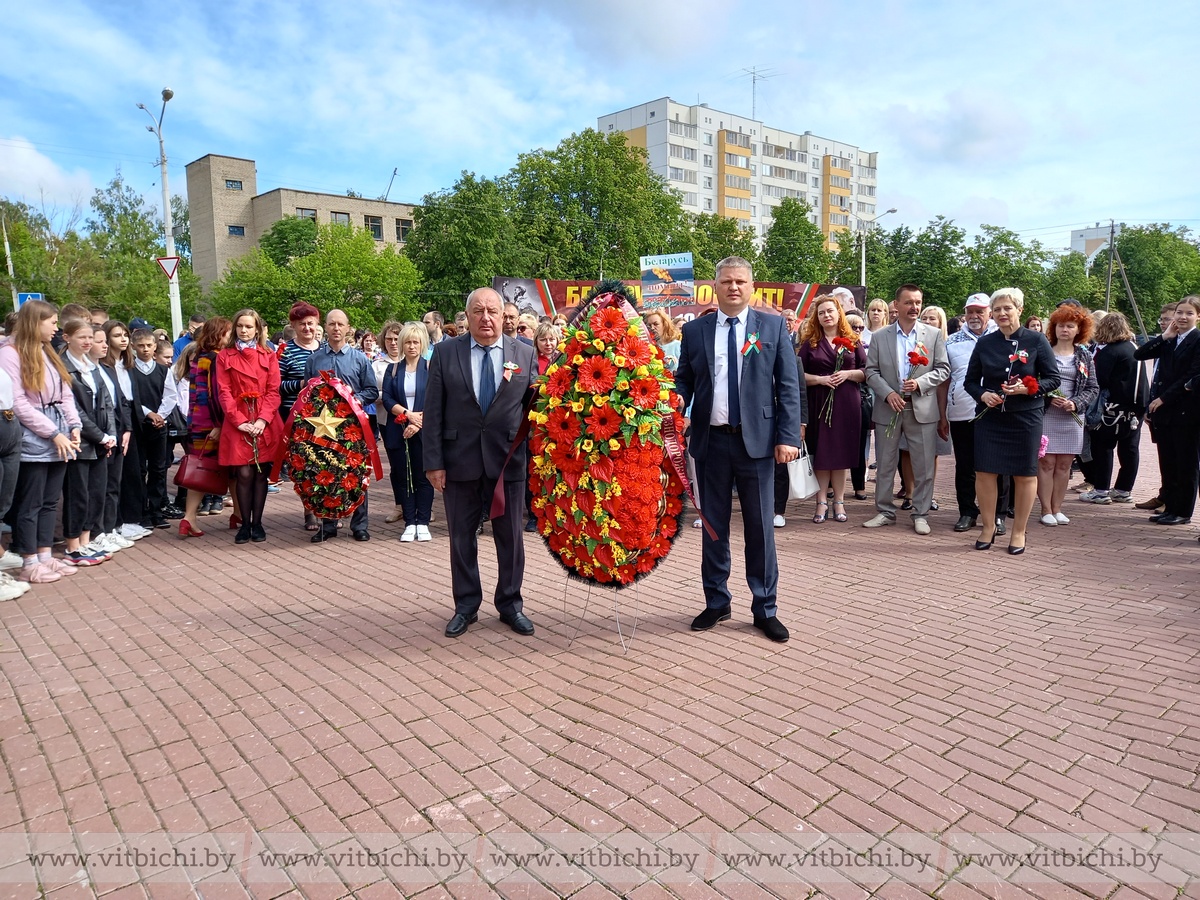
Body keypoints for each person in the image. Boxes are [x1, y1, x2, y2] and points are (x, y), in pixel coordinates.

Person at [675, 257, 803, 643]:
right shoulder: (695, 331)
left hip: (759, 444)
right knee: (713, 526)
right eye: (727, 281)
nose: (734, 287)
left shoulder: (772, 326)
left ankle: (765, 608)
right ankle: (716, 601)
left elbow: (789, 386)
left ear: (751, 287)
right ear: (715, 286)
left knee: (760, 527)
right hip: (710, 442)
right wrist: (673, 401)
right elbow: (684, 379)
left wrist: (788, 437)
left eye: (740, 282)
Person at [424, 287, 537, 638]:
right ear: (467, 315)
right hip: (459, 462)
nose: (486, 318)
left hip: (508, 462)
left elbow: (536, 410)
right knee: (461, 538)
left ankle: (510, 605)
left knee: (511, 539)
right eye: (478, 311)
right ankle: (466, 606)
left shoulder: (525, 353)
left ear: (503, 316)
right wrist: (434, 463)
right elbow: (434, 412)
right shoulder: (444, 353)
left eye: (492, 311)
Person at [964, 287, 1060, 554]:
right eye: (997, 309)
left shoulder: (1037, 340)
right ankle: (987, 527)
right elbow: (970, 381)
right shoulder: (985, 342)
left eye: (1008, 308)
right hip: (991, 417)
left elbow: (1053, 379)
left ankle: (1018, 531)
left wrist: (1028, 389)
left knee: (1025, 474)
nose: (1002, 313)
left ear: (1019, 309)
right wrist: (983, 395)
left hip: (1026, 417)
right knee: (984, 472)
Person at [0, 300, 83, 583]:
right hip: (34, 436)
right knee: (31, 502)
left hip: (59, 433)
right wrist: (52, 432)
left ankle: (46, 555)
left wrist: (74, 425)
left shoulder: (47, 351)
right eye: (52, 322)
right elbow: (19, 403)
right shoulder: (10, 354)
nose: (56, 328)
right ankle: (28, 560)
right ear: (35, 323)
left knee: (50, 501)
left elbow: (65, 393)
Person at [862, 284, 950, 535]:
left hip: (921, 408)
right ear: (896, 305)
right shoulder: (881, 336)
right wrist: (888, 393)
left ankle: (920, 513)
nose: (914, 307)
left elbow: (943, 369)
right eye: (909, 302)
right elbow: (871, 371)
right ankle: (885, 512)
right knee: (886, 464)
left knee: (923, 466)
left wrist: (921, 383)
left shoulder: (933, 335)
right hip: (888, 408)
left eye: (918, 302)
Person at [306, 309, 378, 542]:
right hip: (323, 429)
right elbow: (307, 393)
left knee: (356, 475)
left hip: (352, 428)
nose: (336, 328)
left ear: (348, 328)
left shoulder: (359, 359)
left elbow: (371, 390)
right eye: (331, 324)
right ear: (325, 328)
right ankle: (328, 525)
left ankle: (359, 525)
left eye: (340, 324)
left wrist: (353, 400)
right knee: (325, 473)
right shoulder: (314, 359)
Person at [940, 293, 1006, 534]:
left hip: (996, 411)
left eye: (980, 311)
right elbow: (944, 382)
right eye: (970, 311)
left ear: (989, 313)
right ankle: (967, 511)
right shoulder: (952, 341)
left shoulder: (1003, 337)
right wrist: (942, 414)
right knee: (965, 465)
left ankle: (998, 515)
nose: (974, 316)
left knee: (997, 465)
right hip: (962, 412)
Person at [217, 310, 285, 544]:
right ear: (234, 328)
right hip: (239, 421)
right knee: (243, 473)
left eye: (249, 326)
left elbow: (274, 391)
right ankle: (244, 523)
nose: (244, 330)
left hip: (264, 421)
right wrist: (240, 422)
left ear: (257, 329)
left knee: (260, 474)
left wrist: (262, 420)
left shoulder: (268, 354)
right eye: (240, 326)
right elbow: (224, 392)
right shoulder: (225, 356)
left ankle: (258, 523)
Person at [796, 295, 865, 524]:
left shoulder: (853, 341)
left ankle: (840, 501)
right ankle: (821, 501)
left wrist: (847, 374)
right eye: (822, 312)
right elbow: (797, 375)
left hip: (847, 403)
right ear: (817, 317)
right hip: (820, 402)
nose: (827, 315)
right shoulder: (810, 343)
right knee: (823, 453)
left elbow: (867, 371)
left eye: (830, 311)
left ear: (839, 314)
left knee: (841, 454)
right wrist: (819, 379)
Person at [1134, 296, 1200, 526]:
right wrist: (1164, 337)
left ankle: (1183, 511)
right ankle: (1170, 507)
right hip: (1165, 413)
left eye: (1189, 313)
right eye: (1179, 313)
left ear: (1197, 316)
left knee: (1186, 464)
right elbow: (1140, 354)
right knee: (1168, 462)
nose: (1182, 317)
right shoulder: (1171, 339)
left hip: (1186, 411)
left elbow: (1190, 376)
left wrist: (1163, 397)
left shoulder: (1197, 340)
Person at [60, 318, 117, 566]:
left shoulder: (93, 367)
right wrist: (100, 435)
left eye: (89, 338)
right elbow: (74, 409)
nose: (87, 342)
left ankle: (85, 540)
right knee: (78, 494)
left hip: (100, 441)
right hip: (80, 441)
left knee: (96, 493)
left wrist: (111, 434)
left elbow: (107, 403)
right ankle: (73, 545)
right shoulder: (63, 367)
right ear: (67, 338)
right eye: (81, 337)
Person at [1037, 304, 1098, 526]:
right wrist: (1048, 398)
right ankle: (1045, 509)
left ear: (1079, 329)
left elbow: (1093, 387)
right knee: (1046, 463)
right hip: (1047, 415)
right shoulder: (1043, 351)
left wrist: (1075, 403)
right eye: (1061, 325)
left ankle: (1057, 508)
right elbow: (1033, 382)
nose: (1065, 330)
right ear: (1054, 327)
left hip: (1072, 417)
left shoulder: (1085, 355)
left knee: (1064, 465)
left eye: (1070, 326)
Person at [1081, 312, 1147, 505]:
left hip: (1113, 408)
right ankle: (1123, 489)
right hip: (1136, 408)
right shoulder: (1134, 347)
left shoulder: (1110, 352)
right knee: (1130, 449)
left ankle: (1101, 490)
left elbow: (1099, 380)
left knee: (1103, 448)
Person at [177, 317, 231, 537]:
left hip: (196, 421)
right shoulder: (216, 358)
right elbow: (214, 395)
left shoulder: (198, 356)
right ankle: (238, 514)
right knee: (230, 469)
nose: (231, 336)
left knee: (199, 469)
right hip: (212, 423)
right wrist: (219, 424)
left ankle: (189, 516)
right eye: (227, 332)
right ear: (218, 334)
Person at [381, 322, 433, 543]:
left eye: (415, 342)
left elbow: (437, 399)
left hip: (424, 431)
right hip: (399, 430)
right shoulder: (393, 369)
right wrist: (407, 414)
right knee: (404, 477)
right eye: (408, 342)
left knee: (424, 477)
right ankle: (409, 522)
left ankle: (423, 522)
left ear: (422, 344)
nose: (411, 346)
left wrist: (418, 421)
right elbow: (386, 398)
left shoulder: (430, 368)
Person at [86, 324, 135, 555]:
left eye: (106, 340)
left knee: (114, 485)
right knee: (99, 487)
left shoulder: (110, 367)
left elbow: (121, 401)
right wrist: (103, 435)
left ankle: (110, 527)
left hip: (116, 432)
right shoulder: (90, 370)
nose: (105, 345)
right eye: (101, 341)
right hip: (99, 435)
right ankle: (97, 532)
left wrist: (126, 429)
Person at [102, 321, 151, 542]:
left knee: (135, 470)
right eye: (116, 336)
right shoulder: (104, 365)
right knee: (119, 474)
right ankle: (118, 522)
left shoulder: (127, 363)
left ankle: (132, 518)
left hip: (133, 416)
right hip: (117, 418)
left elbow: (133, 395)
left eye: (125, 335)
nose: (123, 339)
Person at [278, 301, 323, 531]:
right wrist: (301, 384)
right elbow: (276, 384)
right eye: (302, 324)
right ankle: (309, 511)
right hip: (295, 416)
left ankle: (327, 507)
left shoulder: (325, 349)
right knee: (305, 465)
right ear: (294, 326)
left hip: (325, 417)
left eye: (311, 323)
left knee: (326, 463)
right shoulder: (284, 351)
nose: (307, 328)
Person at [1134, 301, 1181, 513]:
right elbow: (1141, 354)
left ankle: (1174, 500)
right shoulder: (1167, 341)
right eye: (1161, 320)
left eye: (1166, 319)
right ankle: (1165, 495)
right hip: (1157, 409)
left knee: (1179, 460)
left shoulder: (1187, 343)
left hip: (1177, 410)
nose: (1163, 323)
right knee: (1165, 458)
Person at [128, 328, 173, 528]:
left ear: (155, 346)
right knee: (139, 470)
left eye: (149, 345)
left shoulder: (164, 370)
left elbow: (171, 395)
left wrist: (161, 415)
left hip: (159, 425)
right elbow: (132, 396)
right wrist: (149, 414)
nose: (145, 349)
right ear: (133, 347)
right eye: (141, 346)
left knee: (158, 469)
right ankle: (142, 512)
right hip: (139, 425)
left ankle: (156, 510)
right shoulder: (129, 371)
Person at [373, 321, 407, 525]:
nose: (393, 343)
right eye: (389, 339)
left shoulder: (413, 361)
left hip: (414, 419)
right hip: (387, 420)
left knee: (418, 463)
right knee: (397, 465)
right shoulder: (377, 365)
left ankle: (421, 505)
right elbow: (370, 391)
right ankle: (399, 506)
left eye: (397, 338)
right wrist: (387, 395)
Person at [643, 309, 682, 374]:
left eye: (656, 324)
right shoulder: (648, 348)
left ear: (665, 324)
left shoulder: (678, 345)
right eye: (649, 325)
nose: (652, 328)